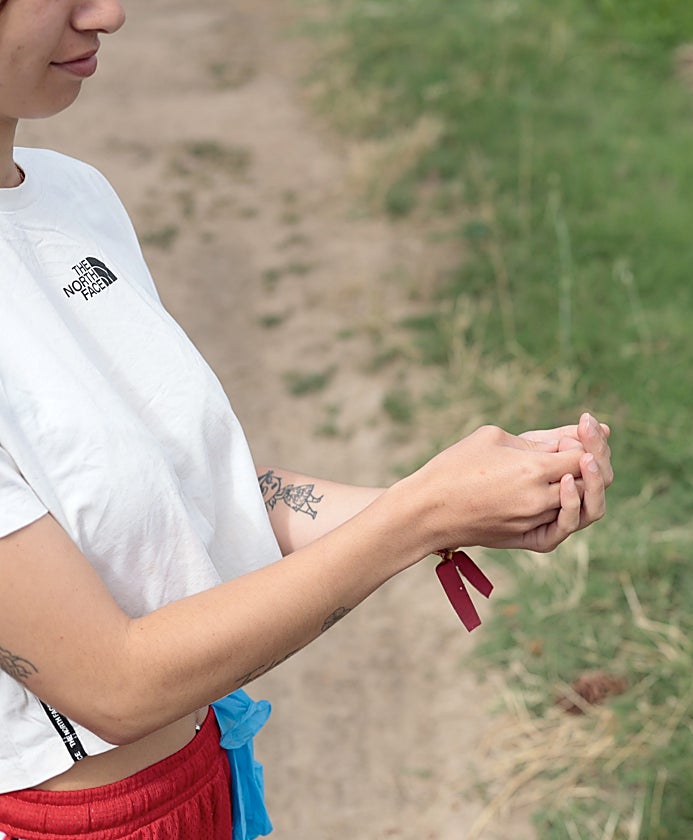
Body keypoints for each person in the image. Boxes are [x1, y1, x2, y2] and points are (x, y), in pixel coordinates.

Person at [0, 1, 614, 837]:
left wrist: (461, 495)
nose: (108, 12)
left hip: (207, 777)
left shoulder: (74, 195)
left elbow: (181, 502)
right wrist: (417, 515)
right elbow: (114, 683)